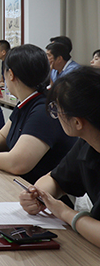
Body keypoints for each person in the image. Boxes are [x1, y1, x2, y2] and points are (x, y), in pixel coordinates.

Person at [19, 67, 100, 248]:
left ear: (77, 122)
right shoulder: (87, 143)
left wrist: (65, 213)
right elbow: (56, 179)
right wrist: (38, 195)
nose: (56, 116)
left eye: (58, 111)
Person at [0, 44, 76, 184]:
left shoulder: (44, 110)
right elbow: (3, 135)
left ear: (11, 74)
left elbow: (17, 164)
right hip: (18, 183)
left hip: (37, 191)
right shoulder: (27, 101)